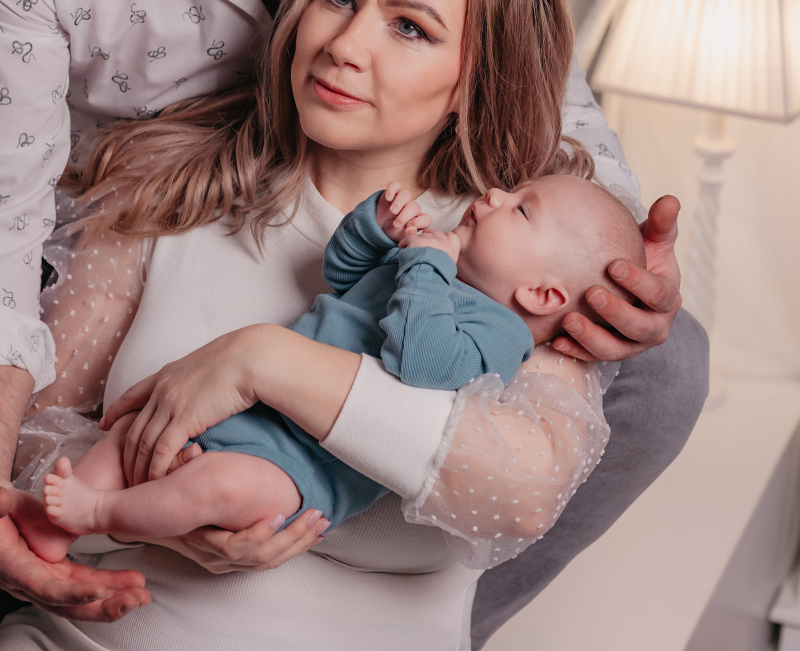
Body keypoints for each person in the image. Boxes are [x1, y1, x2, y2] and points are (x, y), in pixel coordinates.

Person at [0, 0, 703, 637]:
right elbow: (11, 232)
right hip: (159, 179)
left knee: (667, 364)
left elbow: (547, 111)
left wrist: (262, 362)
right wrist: (128, 512)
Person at [1, 0, 653, 649]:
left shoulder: (513, 265)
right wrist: (161, 511)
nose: (344, 47)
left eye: (409, 27)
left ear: (472, 79)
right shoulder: (164, 187)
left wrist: (261, 361)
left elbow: (521, 491)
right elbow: (34, 441)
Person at [10, 173, 643, 562]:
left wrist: (427, 262)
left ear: (542, 296)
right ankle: (52, 526)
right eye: (512, 190)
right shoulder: (428, 267)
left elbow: (420, 362)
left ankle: (100, 515)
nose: (496, 196)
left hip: (297, 471)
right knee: (131, 435)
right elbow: (342, 276)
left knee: (222, 490)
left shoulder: (499, 336)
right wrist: (375, 230)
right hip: (244, 413)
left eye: (521, 209)